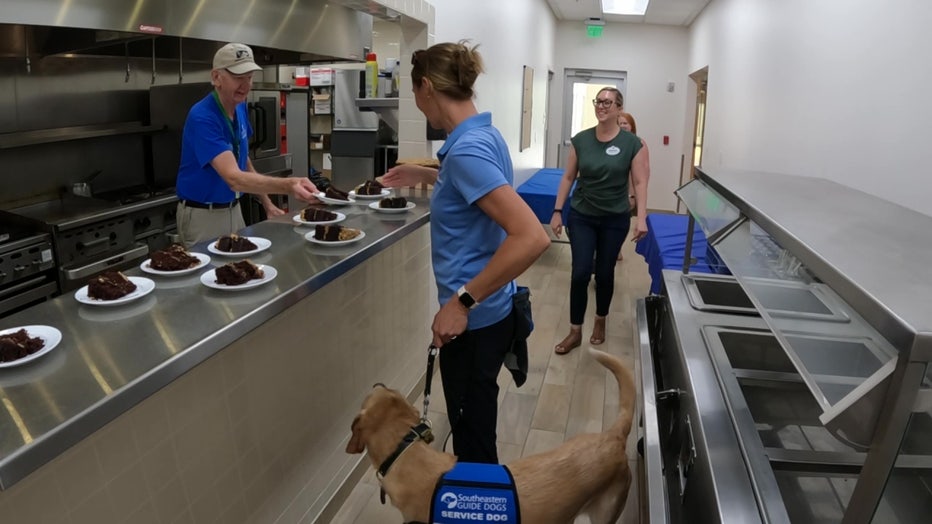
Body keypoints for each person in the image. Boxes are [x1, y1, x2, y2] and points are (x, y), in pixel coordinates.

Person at [379, 41, 550, 463]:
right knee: (474, 425)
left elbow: (531, 237)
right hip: (493, 314)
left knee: (474, 445)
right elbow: (478, 197)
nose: (420, 108)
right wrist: (428, 174)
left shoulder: (467, 151)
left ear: (425, 87)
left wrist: (461, 302)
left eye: (416, 97)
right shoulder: (481, 135)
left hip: (474, 321)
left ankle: (483, 507)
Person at [175, 42, 319, 246]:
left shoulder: (239, 106)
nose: (246, 85)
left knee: (238, 271)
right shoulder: (203, 117)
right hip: (203, 215)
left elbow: (242, 158)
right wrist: (289, 185)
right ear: (216, 77)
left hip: (234, 208)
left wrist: (267, 203)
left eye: (249, 77)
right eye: (237, 77)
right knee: (209, 275)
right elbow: (234, 178)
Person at [550, 88, 649, 354]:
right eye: (599, 101)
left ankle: (600, 320)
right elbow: (568, 177)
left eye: (608, 102)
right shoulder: (581, 140)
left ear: (619, 108)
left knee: (604, 274)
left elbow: (640, 181)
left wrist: (641, 218)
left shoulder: (633, 144)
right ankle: (574, 331)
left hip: (614, 218)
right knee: (580, 272)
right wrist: (558, 210)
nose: (602, 106)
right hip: (582, 215)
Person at [616, 111, 649, 261]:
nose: (622, 126)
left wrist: (634, 194)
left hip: (629, 192)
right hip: (613, 191)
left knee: (622, 222)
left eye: (625, 123)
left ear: (632, 126)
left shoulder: (639, 143)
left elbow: (645, 172)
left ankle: (616, 248)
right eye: (619, 123)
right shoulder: (612, 142)